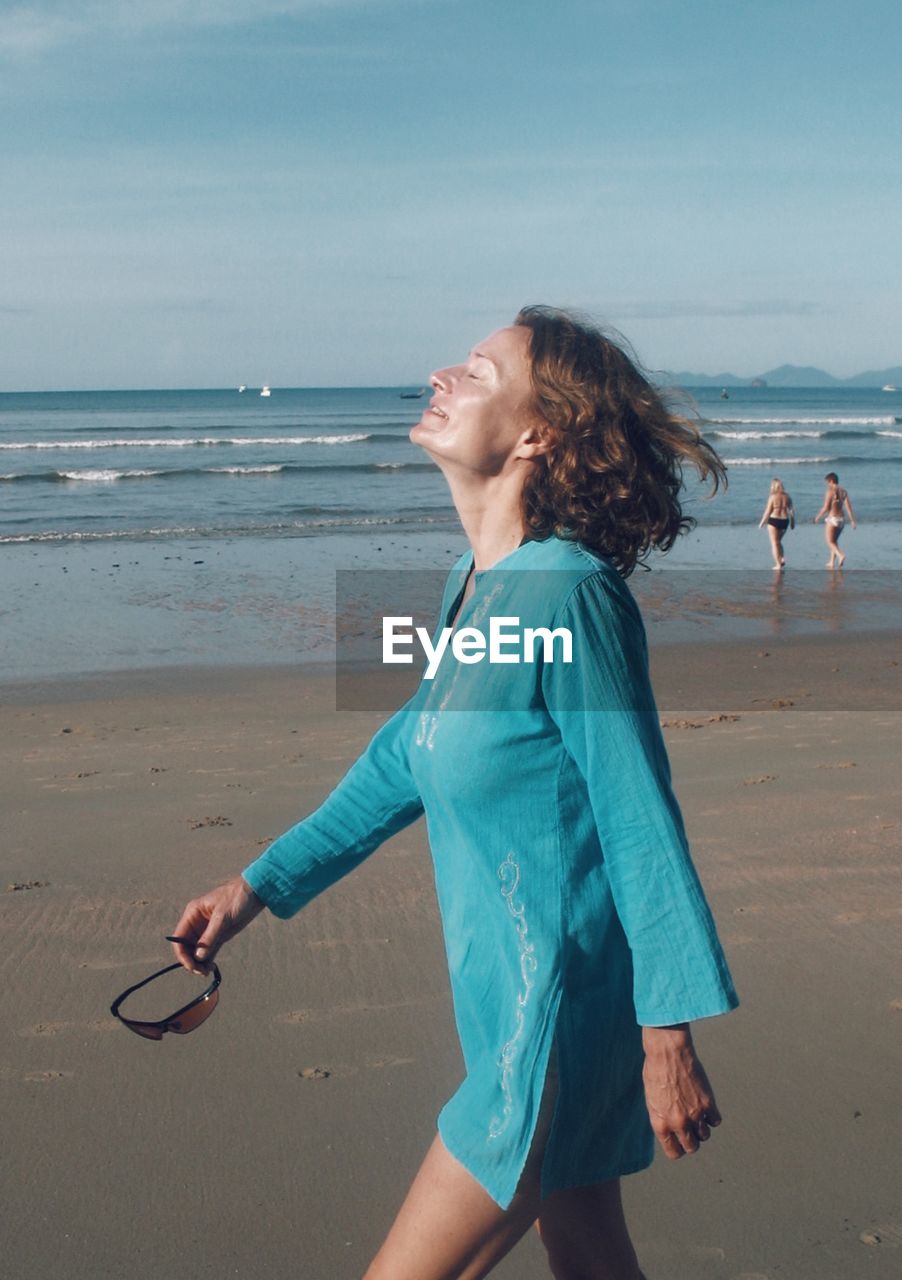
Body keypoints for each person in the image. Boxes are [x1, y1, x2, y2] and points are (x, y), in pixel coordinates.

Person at [170, 306, 739, 1280]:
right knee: (590, 1250)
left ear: (535, 432)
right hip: (507, 1003)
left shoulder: (570, 597)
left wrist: (667, 1034)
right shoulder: (473, 590)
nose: (442, 372)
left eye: (477, 370)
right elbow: (409, 753)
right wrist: (255, 883)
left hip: (546, 1023)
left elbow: (639, 816)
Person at [814, 471, 857, 569]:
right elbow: (848, 508)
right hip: (842, 520)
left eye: (828, 482)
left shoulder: (830, 491)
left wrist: (817, 516)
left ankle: (840, 554)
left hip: (832, 519)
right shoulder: (843, 491)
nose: (827, 485)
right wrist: (853, 521)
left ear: (832, 481)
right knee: (834, 541)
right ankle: (831, 562)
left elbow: (825, 507)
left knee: (829, 541)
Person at [758, 477, 796, 570]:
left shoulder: (772, 497)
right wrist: (792, 523)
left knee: (774, 543)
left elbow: (768, 511)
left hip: (774, 520)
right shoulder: (788, 497)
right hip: (784, 521)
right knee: (778, 542)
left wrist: (762, 522)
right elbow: (791, 511)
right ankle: (782, 558)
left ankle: (778, 564)